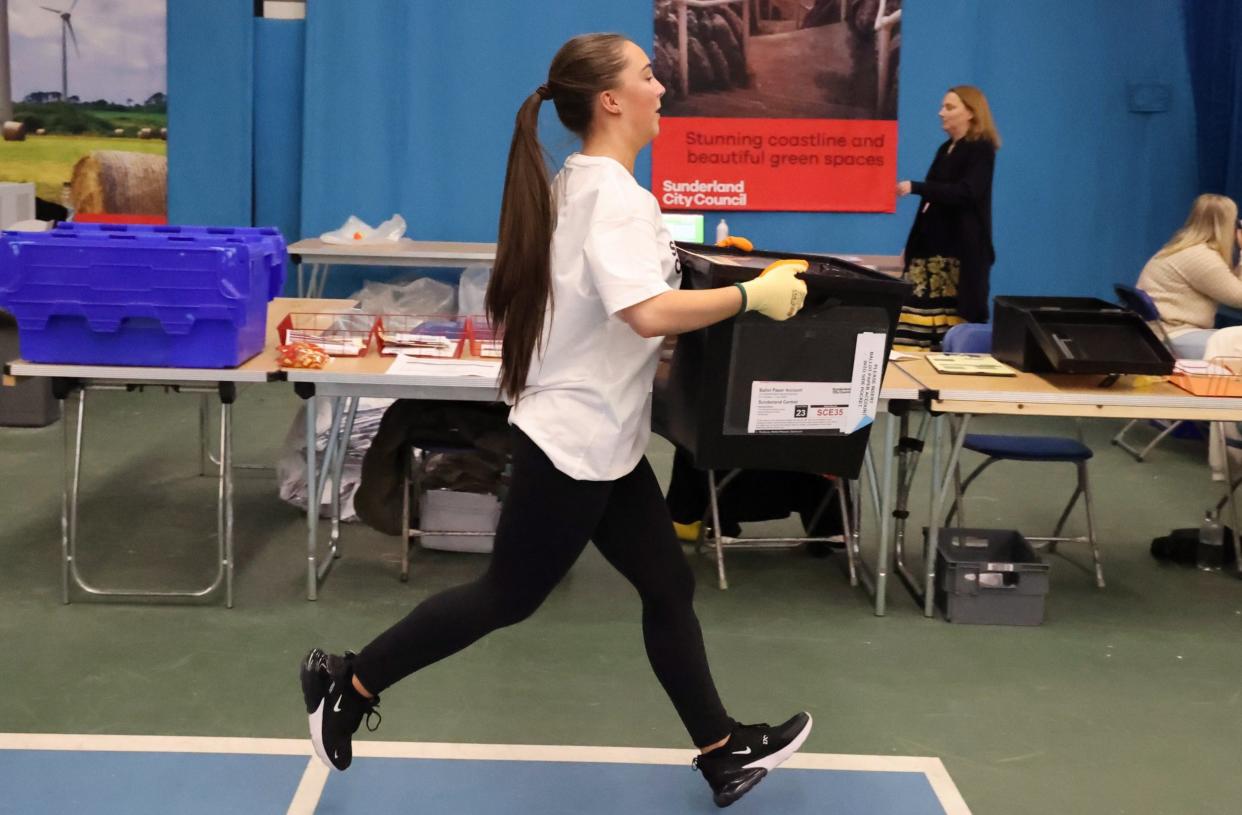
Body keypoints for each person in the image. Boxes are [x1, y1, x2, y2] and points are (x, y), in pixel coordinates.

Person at [300, 33, 813, 808]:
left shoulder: (585, 183)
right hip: (572, 440)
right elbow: (643, 312)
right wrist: (751, 295)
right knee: (507, 596)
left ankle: (720, 750)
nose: (662, 87)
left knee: (668, 585)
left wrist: (701, 265)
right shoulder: (612, 195)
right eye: (648, 75)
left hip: (603, 437)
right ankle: (348, 682)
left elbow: (630, 279)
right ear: (610, 100)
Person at [894, 85, 1000, 349]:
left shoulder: (980, 149)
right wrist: (912, 245)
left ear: (972, 113)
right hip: (928, 252)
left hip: (957, 255)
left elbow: (967, 192)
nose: (941, 113)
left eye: (950, 107)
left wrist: (916, 187)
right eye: (943, 107)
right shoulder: (945, 149)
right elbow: (930, 205)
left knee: (951, 328)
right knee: (909, 331)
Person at [1136, 193, 1242, 360]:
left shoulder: (1181, 248)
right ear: (1228, 224)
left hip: (1161, 333)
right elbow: (1238, 297)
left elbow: (1228, 285)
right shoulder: (1201, 257)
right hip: (1173, 336)